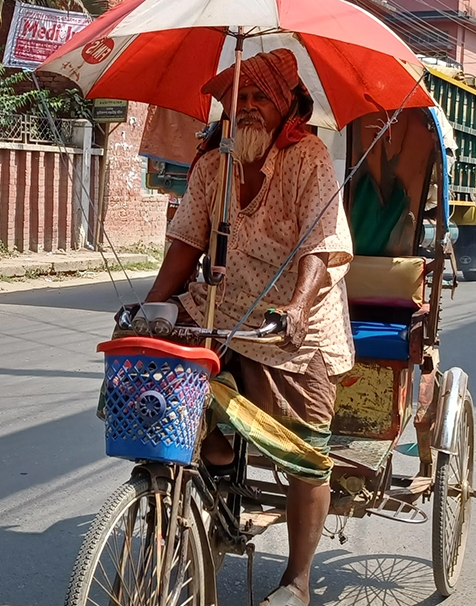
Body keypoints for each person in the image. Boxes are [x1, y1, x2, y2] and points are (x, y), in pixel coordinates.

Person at [143, 48, 353, 606]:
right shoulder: (215, 163)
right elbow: (186, 240)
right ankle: (211, 476)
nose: (250, 109)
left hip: (294, 320)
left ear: (288, 105)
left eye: (262, 97)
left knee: (308, 450)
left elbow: (321, 245)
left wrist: (300, 305)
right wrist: (152, 307)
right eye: (241, 99)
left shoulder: (310, 160)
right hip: (222, 307)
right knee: (161, 377)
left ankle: (298, 580)